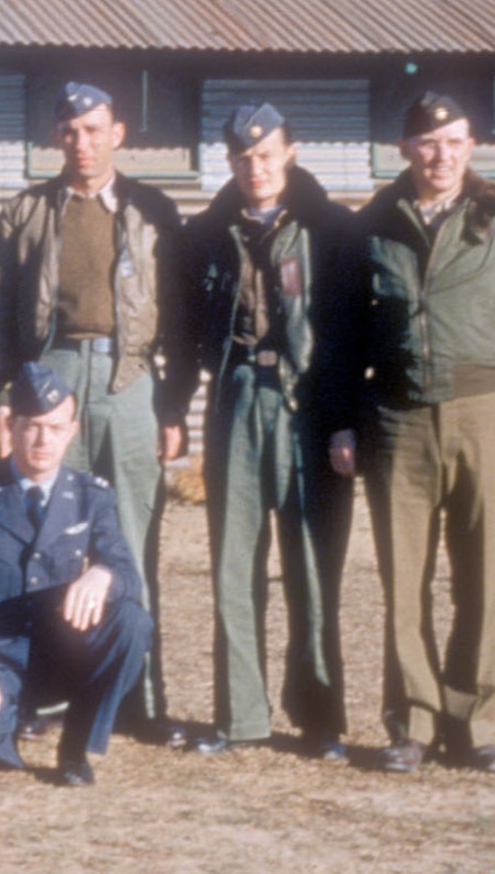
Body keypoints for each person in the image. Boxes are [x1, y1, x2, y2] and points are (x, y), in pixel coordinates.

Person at [328, 93, 495, 775]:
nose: (443, 156)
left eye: (457, 142)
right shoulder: (371, 225)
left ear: (473, 147)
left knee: (482, 574)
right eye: (429, 143)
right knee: (404, 580)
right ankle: (411, 723)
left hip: (487, 411)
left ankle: (473, 722)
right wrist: (344, 418)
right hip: (396, 419)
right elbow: (343, 333)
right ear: (405, 148)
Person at [0, 82, 194, 746]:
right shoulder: (26, 211)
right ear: (55, 138)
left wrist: (173, 402)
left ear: (118, 133)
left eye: (94, 129)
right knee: (42, 537)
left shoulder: (152, 208)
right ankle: (38, 691)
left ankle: (137, 695)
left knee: (130, 535)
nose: (82, 142)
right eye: (70, 131)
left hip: (128, 378)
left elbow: (180, 314)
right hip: (51, 372)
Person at [181, 104, 356, 760]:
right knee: (234, 559)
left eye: (266, 154)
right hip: (236, 395)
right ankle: (240, 715)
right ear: (228, 162)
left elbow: (346, 332)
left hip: (309, 403)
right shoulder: (205, 232)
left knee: (312, 563)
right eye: (241, 158)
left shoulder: (332, 227)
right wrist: (179, 401)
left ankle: (320, 716)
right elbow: (182, 323)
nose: (254, 168)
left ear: (289, 151)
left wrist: (343, 417)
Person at [0, 363, 153, 787]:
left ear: (73, 431)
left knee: (133, 621)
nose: (43, 440)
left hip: (60, 653)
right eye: (31, 427)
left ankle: (76, 747)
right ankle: (5, 724)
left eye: (55, 427)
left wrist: (103, 574)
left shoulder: (91, 495)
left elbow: (128, 575)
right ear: (10, 425)